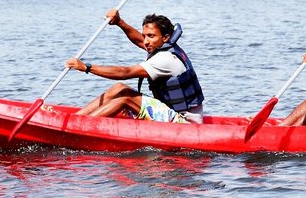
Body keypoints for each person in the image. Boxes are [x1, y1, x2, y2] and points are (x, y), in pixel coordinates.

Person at [65, 10, 204, 123]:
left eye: (151, 36)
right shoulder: (164, 46)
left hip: (184, 122)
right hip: (172, 112)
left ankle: (80, 125)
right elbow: (139, 40)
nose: (146, 41)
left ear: (165, 37)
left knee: (126, 98)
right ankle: (76, 119)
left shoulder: (166, 59)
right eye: (145, 36)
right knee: (119, 88)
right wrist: (120, 22)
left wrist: (86, 67)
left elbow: (125, 72)